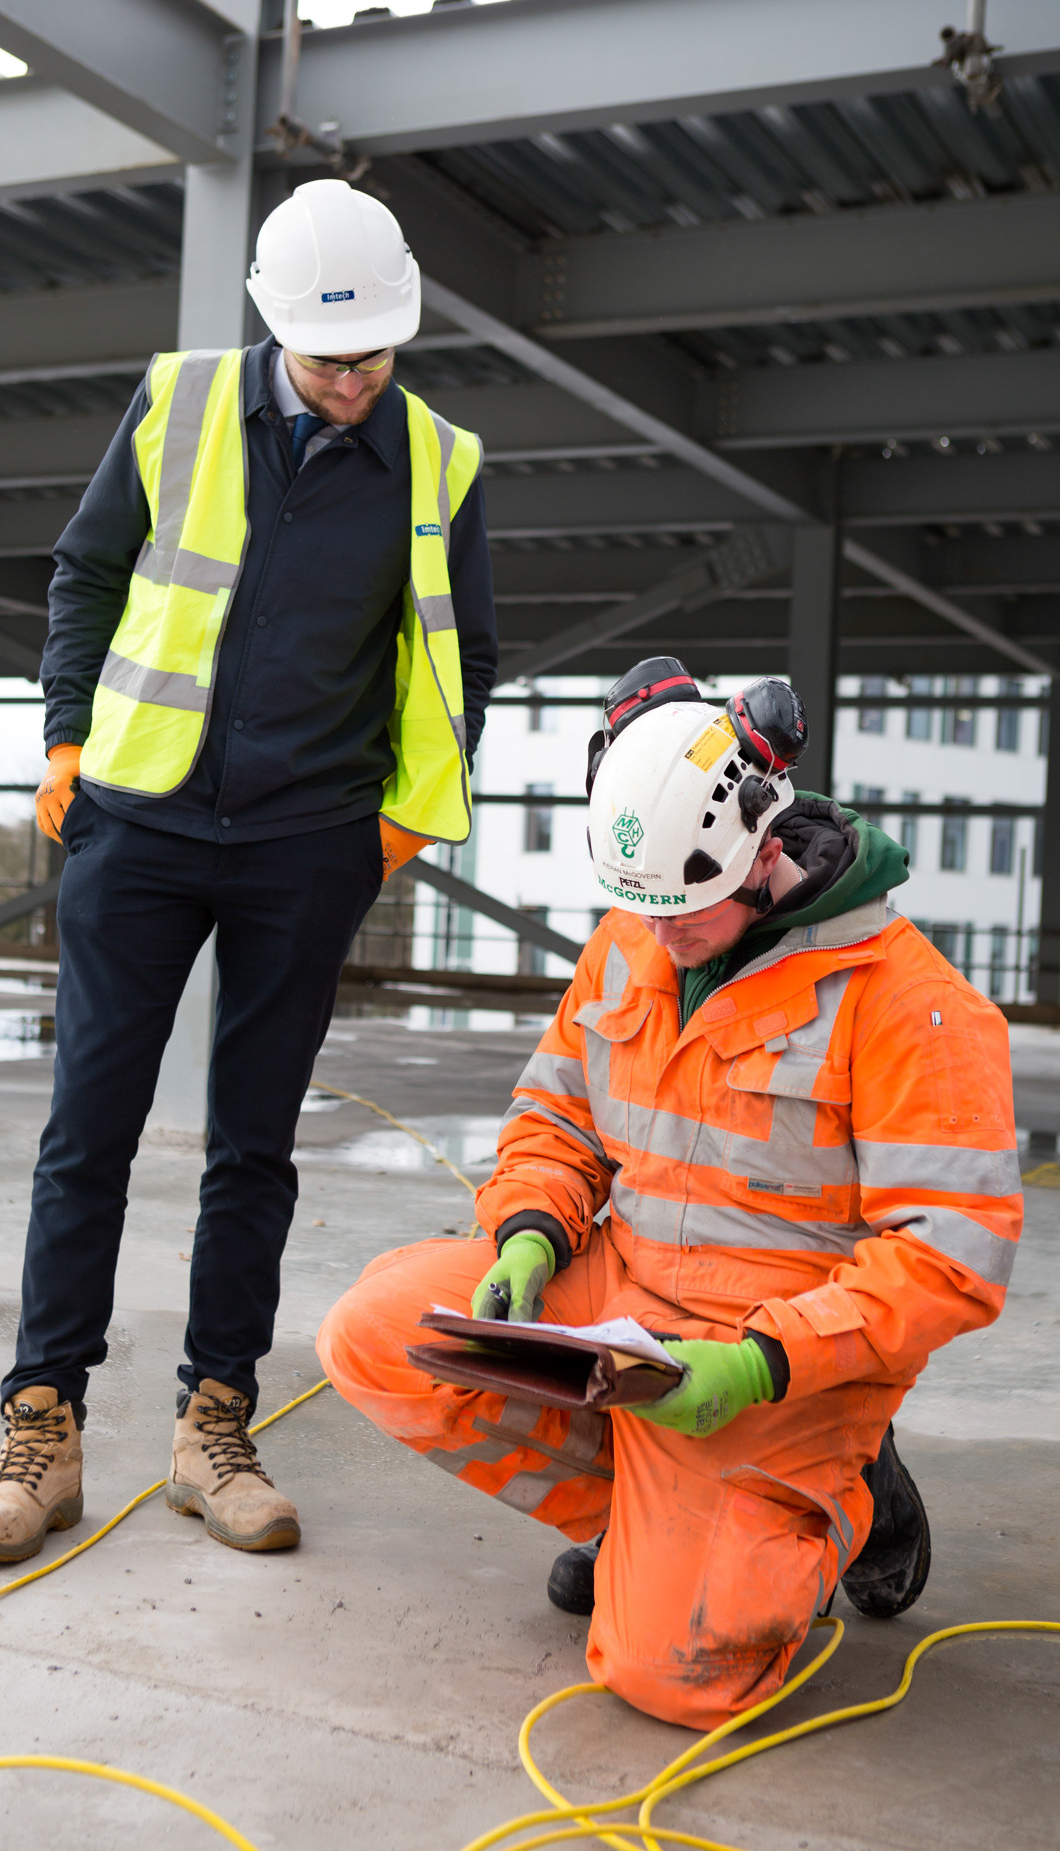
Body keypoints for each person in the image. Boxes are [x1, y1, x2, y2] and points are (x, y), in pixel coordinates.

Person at [0, 180, 497, 1564]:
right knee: (90, 1137)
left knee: (253, 1147)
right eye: (325, 361)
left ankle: (214, 1424)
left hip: (306, 845)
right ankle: (41, 1429)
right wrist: (68, 741)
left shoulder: (439, 460)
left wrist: (400, 825)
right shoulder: (180, 404)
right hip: (135, 822)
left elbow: (460, 655)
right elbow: (85, 573)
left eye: (372, 357)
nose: (351, 383)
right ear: (271, 331)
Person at [317, 657, 1021, 1729]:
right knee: (377, 1332)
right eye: (636, 909)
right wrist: (529, 1234)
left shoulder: (911, 1003)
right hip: (627, 1298)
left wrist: (759, 1360)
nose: (658, 935)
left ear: (765, 847)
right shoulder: (637, 934)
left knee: (671, 1677)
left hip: (784, 1356)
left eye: (685, 911)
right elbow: (556, 1118)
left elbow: (948, 1255)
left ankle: (847, 1497)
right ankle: (645, 1520)